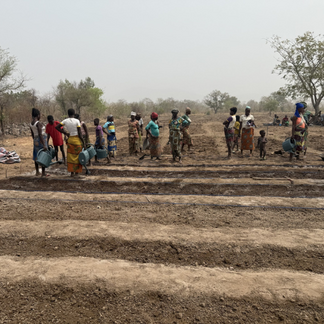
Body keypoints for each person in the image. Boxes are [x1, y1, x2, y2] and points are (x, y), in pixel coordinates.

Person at [55, 109, 85, 176]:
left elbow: (57, 127)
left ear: (68, 114)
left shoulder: (65, 121)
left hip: (70, 140)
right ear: (74, 113)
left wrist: (65, 133)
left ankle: (72, 173)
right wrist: (83, 142)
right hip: (77, 140)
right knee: (77, 156)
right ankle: (76, 172)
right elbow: (80, 133)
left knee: (70, 156)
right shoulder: (77, 121)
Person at [30, 108, 48, 177]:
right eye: (40, 115)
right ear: (38, 115)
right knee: (43, 155)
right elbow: (40, 134)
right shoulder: (38, 123)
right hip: (41, 139)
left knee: (36, 155)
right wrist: (44, 144)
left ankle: (37, 171)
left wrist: (35, 140)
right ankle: (43, 172)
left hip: (35, 140)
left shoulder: (31, 124)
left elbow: (32, 134)